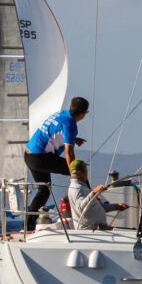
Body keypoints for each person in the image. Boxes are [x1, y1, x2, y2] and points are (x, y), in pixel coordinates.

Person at [24, 97, 89, 230]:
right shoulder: (70, 124)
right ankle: (90, 203)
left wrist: (73, 139)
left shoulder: (61, 114)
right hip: (39, 157)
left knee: (44, 190)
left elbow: (53, 132)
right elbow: (69, 154)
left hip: (29, 154)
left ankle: (28, 226)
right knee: (79, 172)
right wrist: (76, 172)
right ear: (83, 114)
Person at [67, 159, 129, 230]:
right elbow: (81, 208)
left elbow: (97, 206)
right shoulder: (77, 188)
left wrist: (116, 206)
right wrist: (94, 192)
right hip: (90, 231)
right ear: (84, 173)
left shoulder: (81, 186)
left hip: (97, 229)